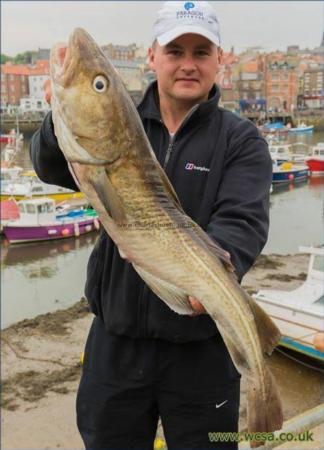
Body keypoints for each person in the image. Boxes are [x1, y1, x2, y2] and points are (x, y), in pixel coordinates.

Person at [30, 2, 272, 449]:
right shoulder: (119, 126)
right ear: (152, 56)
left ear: (220, 59)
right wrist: (57, 119)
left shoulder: (241, 140)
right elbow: (48, 165)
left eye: (201, 52)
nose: (187, 63)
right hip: (115, 345)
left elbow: (243, 220)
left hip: (203, 351)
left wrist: (213, 274)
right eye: (174, 50)